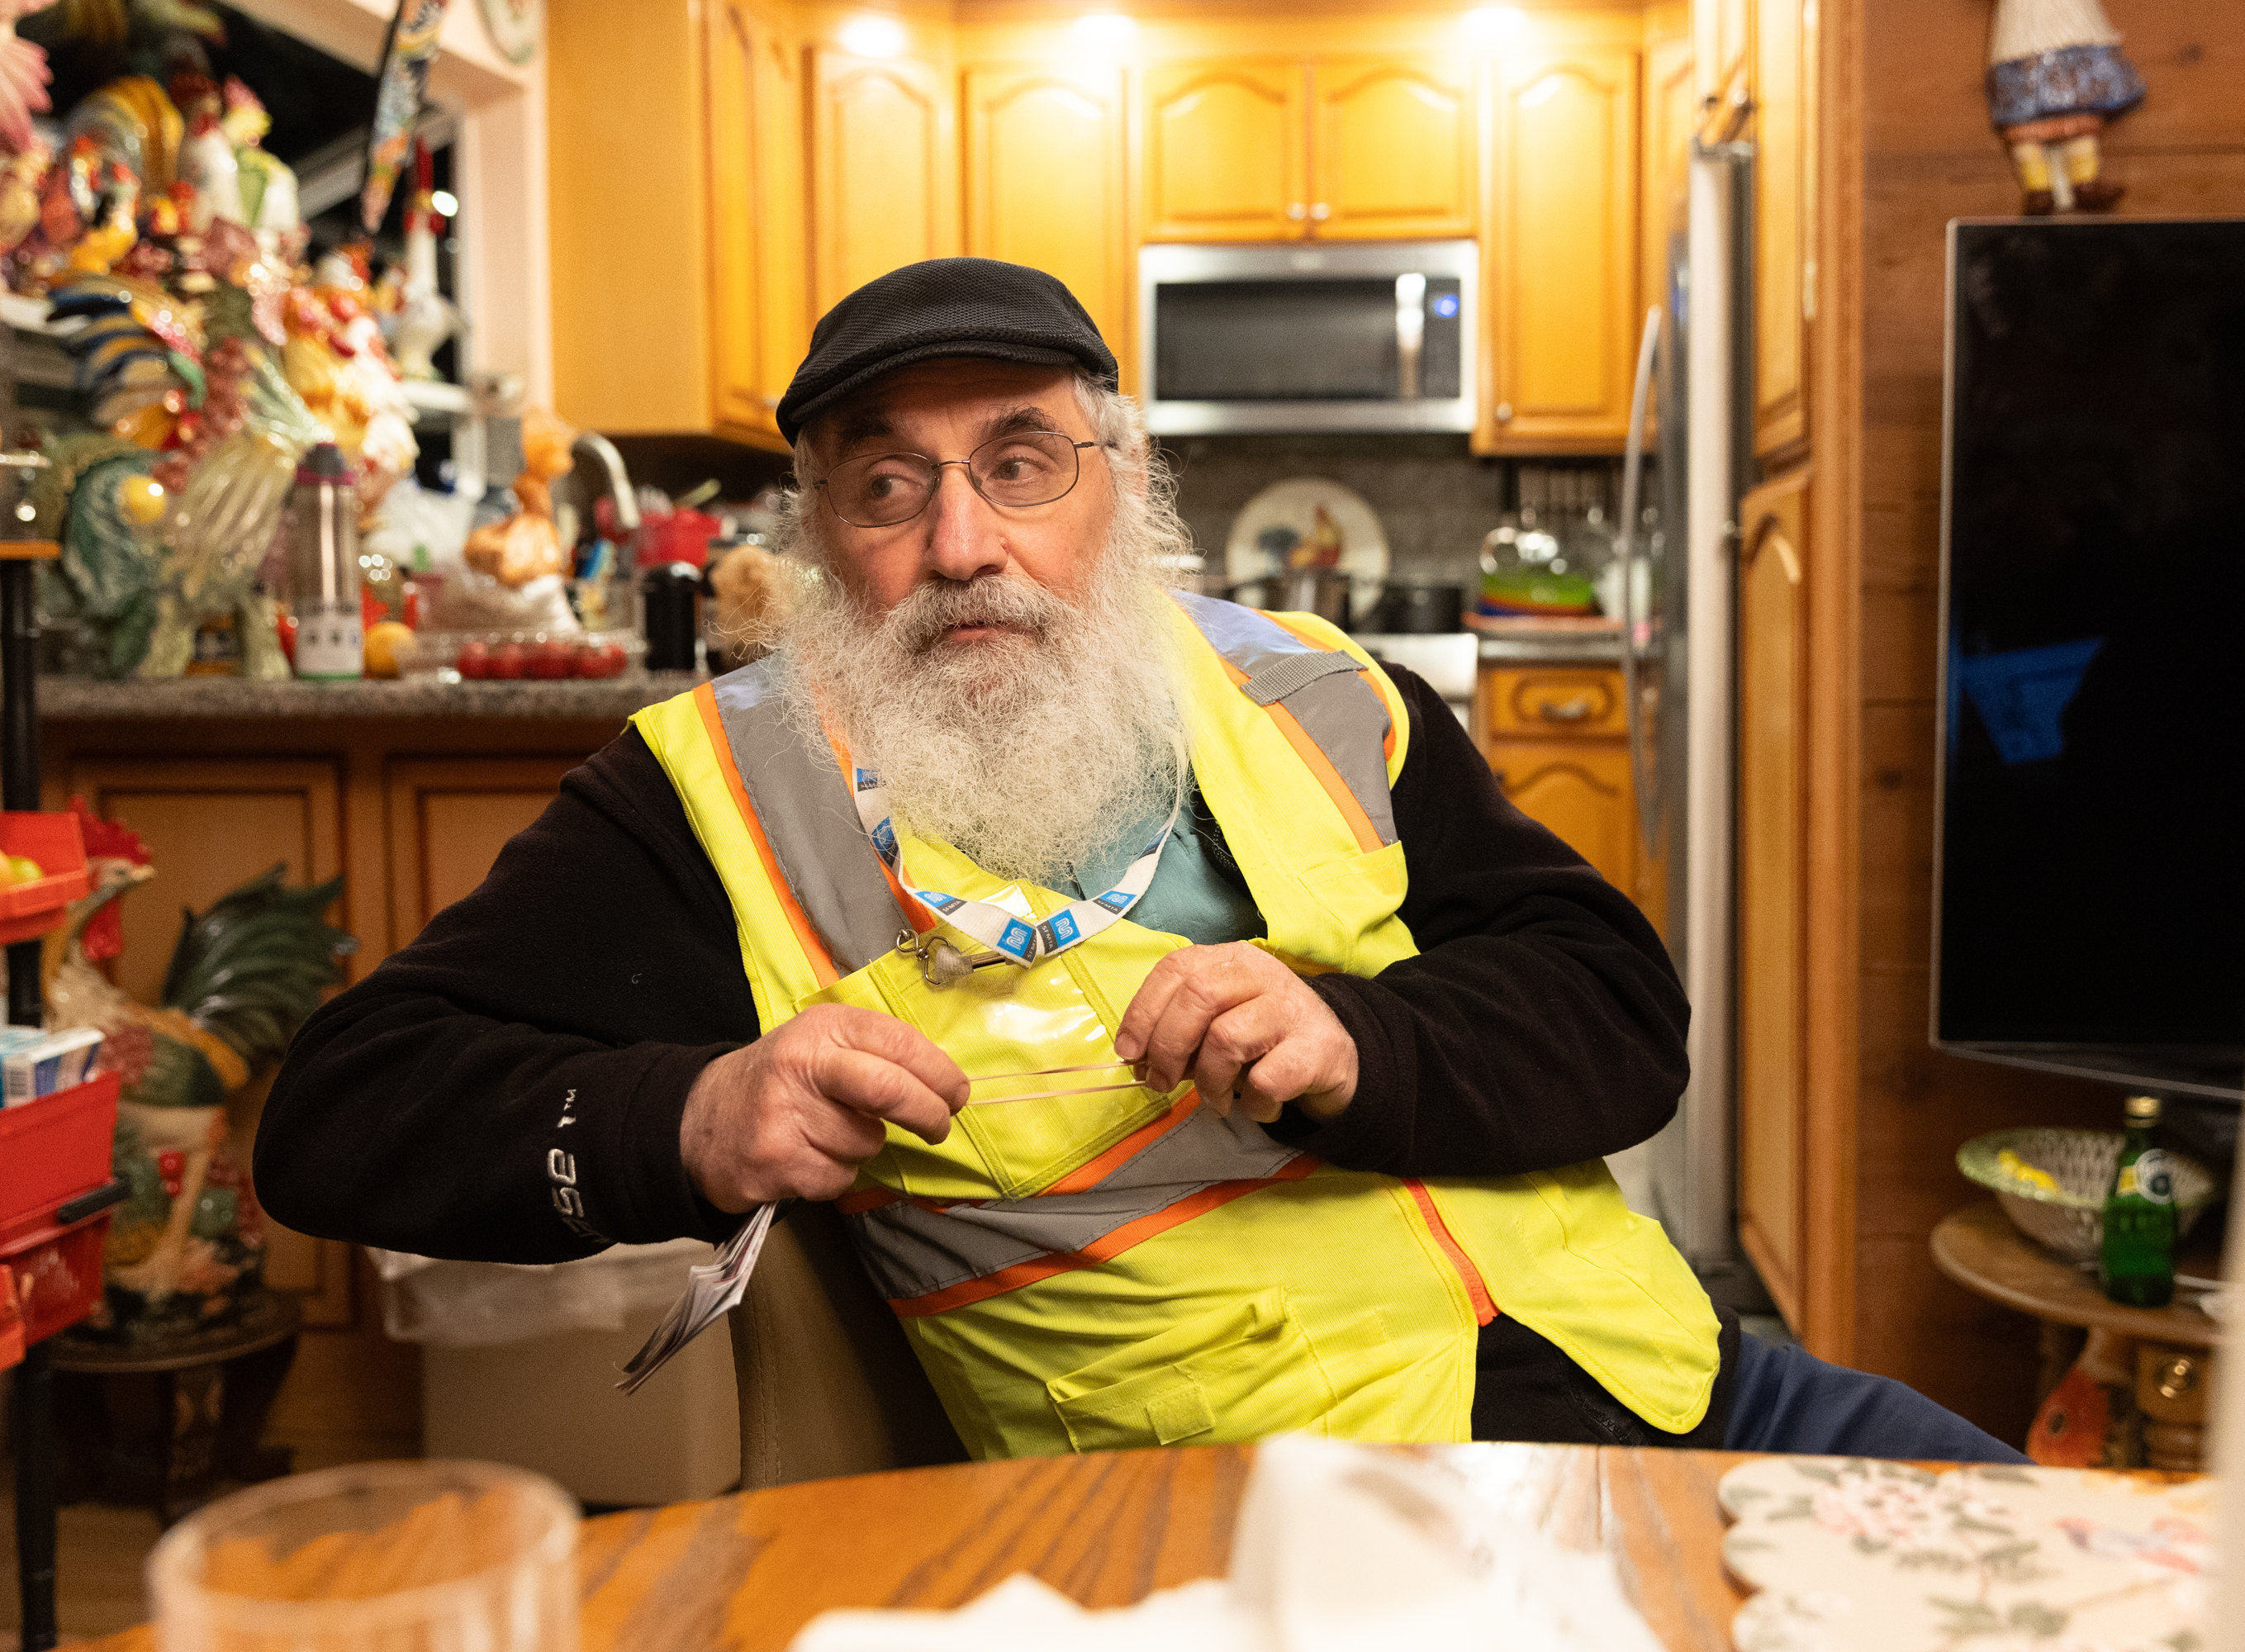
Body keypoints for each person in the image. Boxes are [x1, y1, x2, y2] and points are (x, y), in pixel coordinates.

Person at [256, 258, 2023, 1464]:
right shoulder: (704, 793)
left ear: (1119, 484)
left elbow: (1624, 1019)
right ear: (819, 536)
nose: (966, 543)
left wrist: (1361, 1043)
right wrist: (690, 1119)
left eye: (1021, 462)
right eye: (891, 489)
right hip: (1277, 1523)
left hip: (1673, 1382)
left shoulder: (1320, 690)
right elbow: (337, 1116)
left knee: (2098, 1582)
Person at [1984, 0, 2144, 215]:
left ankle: (2083, 182)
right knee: (2025, 122)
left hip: (2070, 24)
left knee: (2082, 110)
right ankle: (2038, 188)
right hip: (2024, 34)